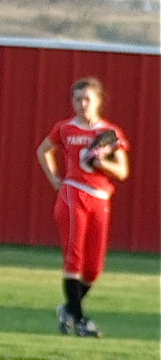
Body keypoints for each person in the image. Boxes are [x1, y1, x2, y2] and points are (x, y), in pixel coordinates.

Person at [36, 77, 131, 337]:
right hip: (72, 194)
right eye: (77, 99)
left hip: (100, 198)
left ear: (99, 101)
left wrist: (101, 163)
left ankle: (68, 308)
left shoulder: (109, 133)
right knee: (74, 258)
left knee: (93, 269)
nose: (82, 104)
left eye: (87, 98)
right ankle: (81, 321)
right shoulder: (65, 128)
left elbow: (122, 171)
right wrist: (55, 179)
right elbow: (43, 150)